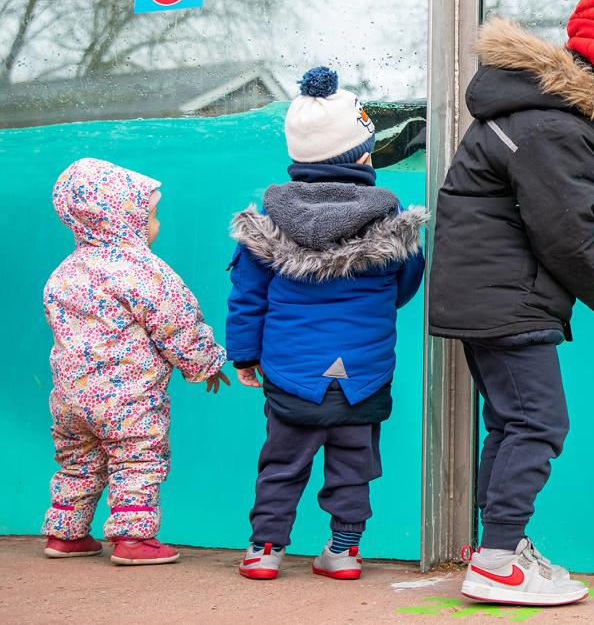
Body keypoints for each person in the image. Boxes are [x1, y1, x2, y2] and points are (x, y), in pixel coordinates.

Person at [427, 0, 594, 605]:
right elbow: (568, 233)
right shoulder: (553, 125)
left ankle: (498, 547)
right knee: (539, 424)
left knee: (511, 424)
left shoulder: (543, 115)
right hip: (508, 300)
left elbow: (558, 223)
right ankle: (494, 563)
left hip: (496, 295)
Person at [226, 66, 427, 581]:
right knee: (353, 466)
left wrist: (245, 356)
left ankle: (264, 551)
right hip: (363, 373)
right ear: (363, 156)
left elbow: (248, 299)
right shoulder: (391, 220)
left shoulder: (267, 223)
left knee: (282, 463)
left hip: (290, 372)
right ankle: (342, 552)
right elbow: (403, 292)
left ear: (298, 158)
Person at [42, 157, 229, 565]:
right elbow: (176, 322)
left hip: (70, 399)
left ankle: (65, 534)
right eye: (152, 216)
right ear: (123, 219)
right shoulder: (142, 270)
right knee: (138, 457)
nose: (156, 224)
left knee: (78, 462)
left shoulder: (63, 273)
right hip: (127, 399)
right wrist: (205, 363)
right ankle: (133, 539)